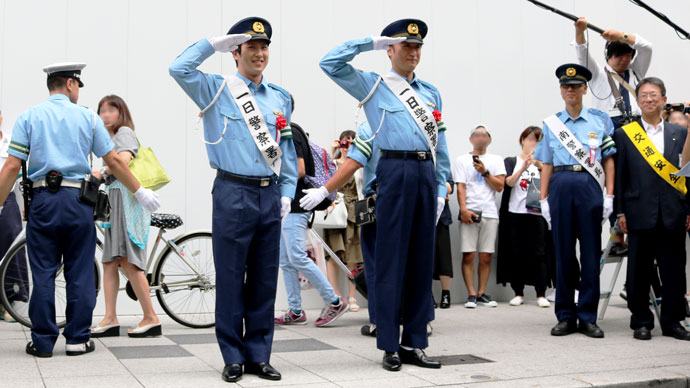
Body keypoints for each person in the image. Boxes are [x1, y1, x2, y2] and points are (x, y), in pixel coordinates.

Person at [304, 18, 451, 372]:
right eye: (405, 45)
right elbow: (330, 63)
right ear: (391, 49)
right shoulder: (373, 86)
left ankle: (415, 342)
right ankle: (389, 345)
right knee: (389, 266)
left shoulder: (430, 92)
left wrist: (442, 186)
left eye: (417, 47)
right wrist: (369, 41)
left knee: (419, 264)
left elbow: (440, 144)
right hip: (393, 172)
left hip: (424, 175)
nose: (413, 52)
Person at [0, 63, 160, 358]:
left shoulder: (29, 117)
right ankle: (77, 339)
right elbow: (113, 161)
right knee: (80, 271)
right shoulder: (87, 117)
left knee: (44, 272)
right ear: (71, 84)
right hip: (77, 201)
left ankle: (43, 342)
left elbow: (12, 165)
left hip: (42, 201)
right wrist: (140, 191)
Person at [169, 17, 297, 383]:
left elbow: (285, 151)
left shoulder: (280, 97)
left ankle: (259, 354)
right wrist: (213, 42)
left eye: (264, 47)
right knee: (229, 276)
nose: (259, 54)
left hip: (269, 193)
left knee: (263, 278)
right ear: (235, 52)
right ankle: (232, 356)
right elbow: (178, 68)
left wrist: (287, 193)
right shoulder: (214, 88)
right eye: (251, 47)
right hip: (232, 191)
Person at [535, 63, 616, 339]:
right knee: (563, 255)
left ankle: (588, 316)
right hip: (559, 186)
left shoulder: (599, 120)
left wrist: (609, 195)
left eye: (576, 86)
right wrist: (543, 199)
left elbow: (608, 160)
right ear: (561, 91)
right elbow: (546, 163)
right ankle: (566, 316)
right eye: (566, 86)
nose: (571, 90)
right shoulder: (551, 124)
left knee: (591, 255)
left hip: (589, 187)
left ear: (584, 89)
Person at [613, 77, 690, 341]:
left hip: (673, 211)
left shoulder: (679, 133)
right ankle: (641, 321)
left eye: (654, 94)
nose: (648, 99)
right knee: (638, 271)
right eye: (643, 95)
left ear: (664, 100)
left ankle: (673, 321)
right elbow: (620, 177)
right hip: (638, 211)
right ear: (637, 101)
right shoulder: (625, 134)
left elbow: (686, 175)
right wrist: (619, 213)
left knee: (674, 270)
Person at [89, 95, 160, 338]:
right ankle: (110, 318)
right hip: (115, 201)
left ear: (121, 113)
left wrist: (102, 171)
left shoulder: (124, 132)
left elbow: (124, 162)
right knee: (110, 261)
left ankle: (151, 317)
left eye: (111, 110)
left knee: (129, 261)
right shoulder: (110, 138)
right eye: (102, 111)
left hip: (126, 202)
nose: (106, 115)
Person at [274, 122, 348, 327]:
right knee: (286, 259)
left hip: (298, 202)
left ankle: (334, 301)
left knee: (296, 255)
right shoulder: (280, 132)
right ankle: (295, 310)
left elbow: (299, 170)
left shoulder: (292, 131)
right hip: (287, 205)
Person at [497, 126, 553, 308]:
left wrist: (539, 166)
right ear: (522, 140)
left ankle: (541, 293)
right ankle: (518, 292)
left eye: (536, 140)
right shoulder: (511, 161)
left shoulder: (544, 164)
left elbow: (552, 182)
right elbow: (509, 183)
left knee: (539, 253)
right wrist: (522, 168)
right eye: (528, 139)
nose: (531, 143)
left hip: (536, 214)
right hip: (514, 213)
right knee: (516, 252)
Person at [453, 126, 505, 309]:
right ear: (470, 139)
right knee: (468, 255)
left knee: (486, 256)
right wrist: (464, 209)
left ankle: (482, 292)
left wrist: (485, 171)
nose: (480, 138)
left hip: (490, 212)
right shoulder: (461, 160)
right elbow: (460, 187)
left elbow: (500, 186)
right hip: (470, 211)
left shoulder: (496, 160)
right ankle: (471, 294)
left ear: (489, 139)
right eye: (477, 134)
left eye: (484, 135)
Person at [573, 17, 653, 127]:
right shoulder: (598, 73)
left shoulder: (636, 72)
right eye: (619, 55)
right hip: (607, 127)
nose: (624, 59)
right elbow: (582, 53)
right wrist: (580, 30)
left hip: (637, 125)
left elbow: (647, 47)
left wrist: (621, 36)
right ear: (607, 54)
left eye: (628, 55)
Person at [324, 130, 364, 312]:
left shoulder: (360, 165)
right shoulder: (333, 162)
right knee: (333, 253)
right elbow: (327, 178)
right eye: (345, 142)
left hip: (355, 210)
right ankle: (336, 295)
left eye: (351, 143)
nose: (348, 146)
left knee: (354, 255)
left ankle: (352, 296)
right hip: (336, 208)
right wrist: (334, 153)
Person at [0, 109, 29, 322]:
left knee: (12, 243)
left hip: (7, 197)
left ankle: (9, 300)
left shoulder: (11, 143)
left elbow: (19, 173)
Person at [434, 179, 454, 308]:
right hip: (421, 214)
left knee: (444, 256)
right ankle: (427, 295)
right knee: (423, 258)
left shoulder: (442, 164)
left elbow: (449, 187)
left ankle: (446, 294)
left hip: (442, 217)